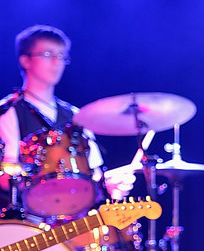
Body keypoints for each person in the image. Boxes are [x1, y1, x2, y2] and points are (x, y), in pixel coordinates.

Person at [0, 24, 133, 215]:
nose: (56, 62)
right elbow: (6, 178)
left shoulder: (77, 116)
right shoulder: (9, 112)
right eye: (48, 54)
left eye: (61, 56)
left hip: (74, 218)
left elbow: (94, 174)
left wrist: (108, 184)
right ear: (25, 60)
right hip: (27, 222)